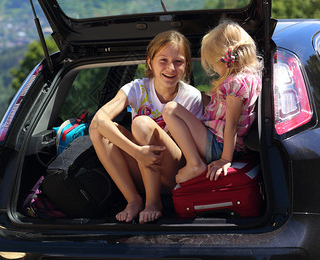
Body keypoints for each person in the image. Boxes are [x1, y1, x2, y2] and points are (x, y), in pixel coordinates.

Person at [89, 30, 203, 224]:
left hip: (175, 172)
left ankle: (153, 203)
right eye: (163, 60)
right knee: (97, 130)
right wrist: (137, 152)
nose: (171, 68)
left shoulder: (190, 97)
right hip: (143, 166)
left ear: (187, 65)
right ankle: (133, 200)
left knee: (141, 123)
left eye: (178, 61)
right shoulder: (137, 88)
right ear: (149, 62)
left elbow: (197, 149)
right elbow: (99, 120)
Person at [162, 20, 262, 184]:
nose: (214, 69)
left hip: (218, 145)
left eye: (213, 64)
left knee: (171, 109)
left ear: (223, 60)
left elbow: (231, 125)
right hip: (226, 144)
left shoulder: (234, 84)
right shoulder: (252, 77)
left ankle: (194, 164)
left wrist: (224, 159)